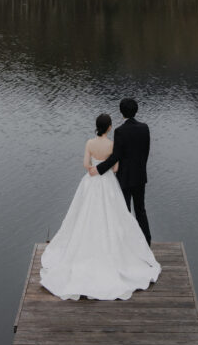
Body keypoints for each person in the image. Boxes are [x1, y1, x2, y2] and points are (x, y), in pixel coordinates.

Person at [40, 111, 160, 300]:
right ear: (109, 127)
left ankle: (85, 246)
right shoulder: (112, 144)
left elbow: (85, 164)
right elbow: (115, 167)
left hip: (91, 181)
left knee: (85, 215)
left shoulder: (89, 143)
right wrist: (107, 168)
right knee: (114, 215)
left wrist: (93, 169)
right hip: (108, 182)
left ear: (97, 126)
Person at [90, 97, 152, 245]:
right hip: (140, 176)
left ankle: (126, 243)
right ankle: (146, 241)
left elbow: (115, 157)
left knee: (124, 211)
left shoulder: (120, 131)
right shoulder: (145, 128)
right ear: (136, 110)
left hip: (125, 178)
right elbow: (146, 152)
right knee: (140, 210)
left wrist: (98, 168)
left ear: (121, 112)